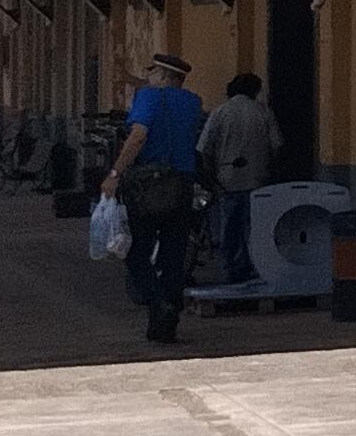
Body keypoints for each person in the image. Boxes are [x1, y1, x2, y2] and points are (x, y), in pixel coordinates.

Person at [103, 52, 206, 344]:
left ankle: (157, 301)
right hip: (182, 184)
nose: (147, 76)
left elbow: (138, 136)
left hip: (149, 186)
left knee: (137, 251)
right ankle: (166, 321)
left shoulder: (148, 98)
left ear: (162, 76)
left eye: (151, 72)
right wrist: (134, 79)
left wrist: (115, 173)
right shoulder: (192, 102)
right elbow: (170, 106)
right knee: (174, 254)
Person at [198, 69, 283, 286]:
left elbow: (204, 148)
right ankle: (255, 268)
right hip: (258, 179)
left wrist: (211, 178)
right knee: (256, 229)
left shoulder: (220, 112)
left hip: (227, 180)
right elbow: (276, 146)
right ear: (255, 90)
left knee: (229, 229)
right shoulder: (263, 112)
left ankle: (229, 270)